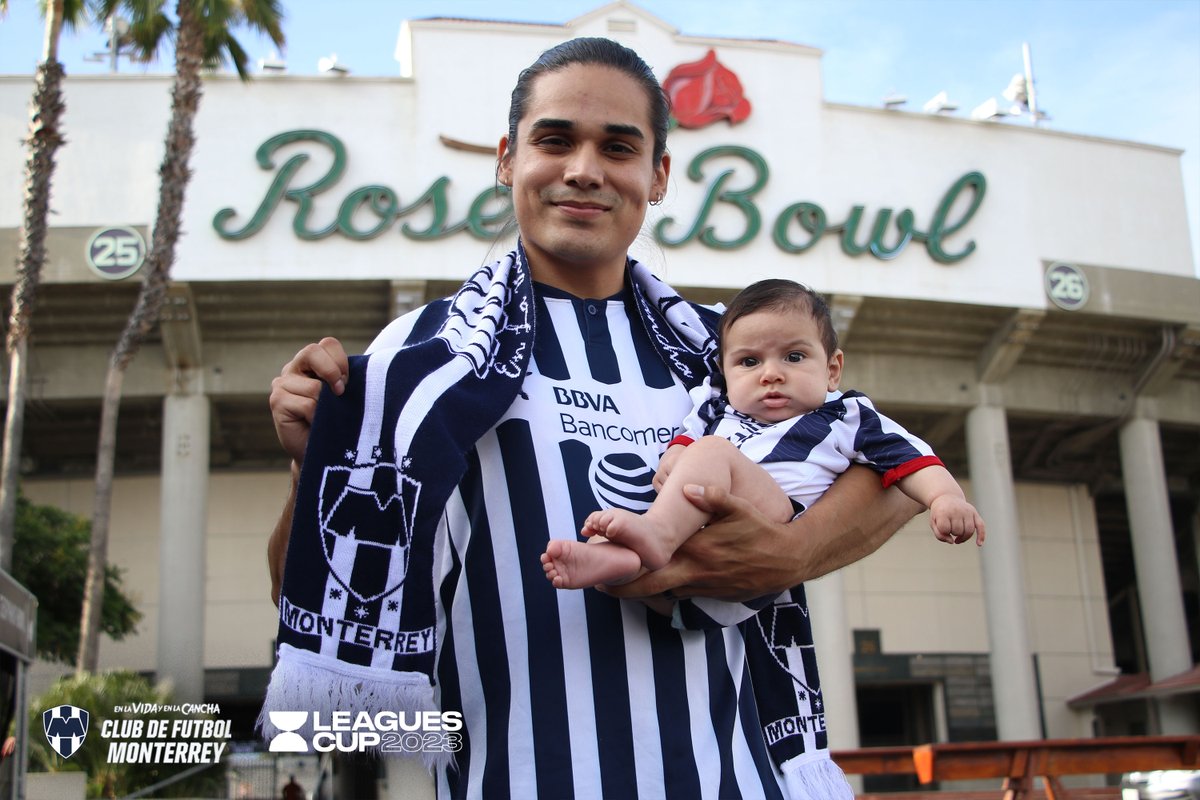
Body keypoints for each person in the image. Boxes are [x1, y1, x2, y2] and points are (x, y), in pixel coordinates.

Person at [267, 37, 917, 800]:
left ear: (658, 176)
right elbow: (301, 590)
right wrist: (311, 465)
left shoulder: (727, 349)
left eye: (618, 147)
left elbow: (893, 472)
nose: (584, 169)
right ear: (508, 158)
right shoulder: (418, 356)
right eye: (555, 140)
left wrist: (792, 553)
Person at [541, 278, 984, 590]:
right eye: (749, 362)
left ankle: (652, 537)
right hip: (692, 543)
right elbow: (687, 434)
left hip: (774, 516)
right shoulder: (719, 406)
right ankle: (611, 562)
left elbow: (914, 460)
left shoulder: (848, 417)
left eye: (793, 356)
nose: (771, 374)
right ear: (726, 372)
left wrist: (945, 499)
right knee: (621, 530)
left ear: (832, 370)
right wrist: (677, 454)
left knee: (711, 454)